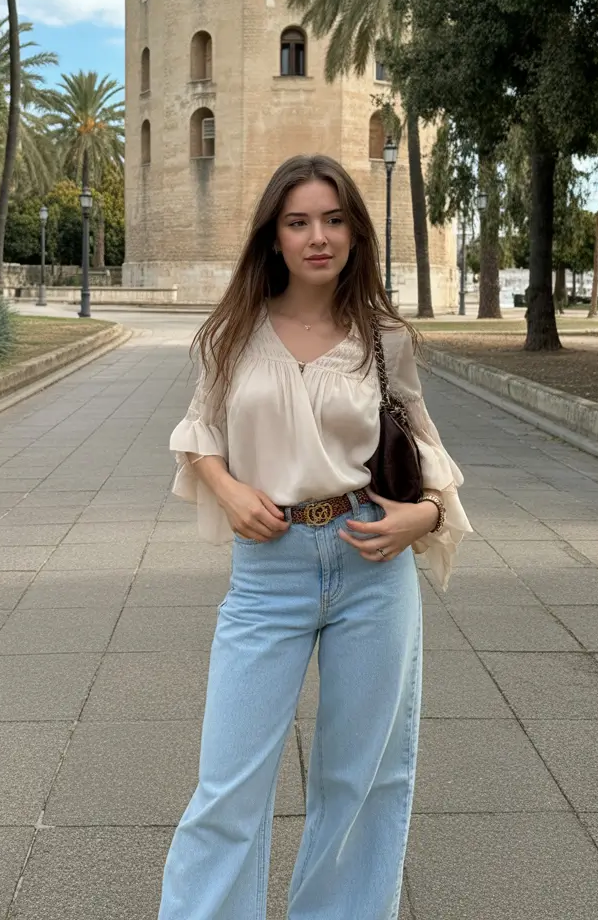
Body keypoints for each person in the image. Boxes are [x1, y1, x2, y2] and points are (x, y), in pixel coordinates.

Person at [158, 154, 472, 920]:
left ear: (355, 233)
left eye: (333, 220)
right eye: (298, 222)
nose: (318, 237)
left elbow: (425, 450)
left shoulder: (383, 335)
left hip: (371, 561)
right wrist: (229, 490)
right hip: (270, 569)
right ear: (273, 236)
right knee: (228, 785)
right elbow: (200, 431)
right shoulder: (232, 332)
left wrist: (422, 518)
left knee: (361, 781)